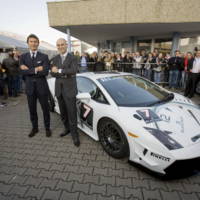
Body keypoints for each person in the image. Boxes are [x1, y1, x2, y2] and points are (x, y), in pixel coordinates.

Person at [19, 34, 51, 137]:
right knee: (32, 110)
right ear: (28, 43)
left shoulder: (44, 56)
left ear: (38, 43)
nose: (33, 43)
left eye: (35, 41)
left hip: (42, 87)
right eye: (31, 41)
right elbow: (22, 72)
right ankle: (35, 128)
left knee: (45, 109)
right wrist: (37, 69)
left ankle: (47, 128)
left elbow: (45, 72)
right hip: (30, 88)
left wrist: (28, 70)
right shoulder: (23, 57)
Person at [51, 38, 80, 147]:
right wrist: (63, 72)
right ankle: (67, 129)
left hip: (70, 90)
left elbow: (73, 70)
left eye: (62, 44)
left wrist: (59, 71)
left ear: (66, 45)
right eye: (58, 45)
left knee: (72, 113)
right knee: (63, 113)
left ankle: (74, 135)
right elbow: (52, 73)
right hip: (59, 89)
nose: (60, 47)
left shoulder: (73, 57)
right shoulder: (55, 58)